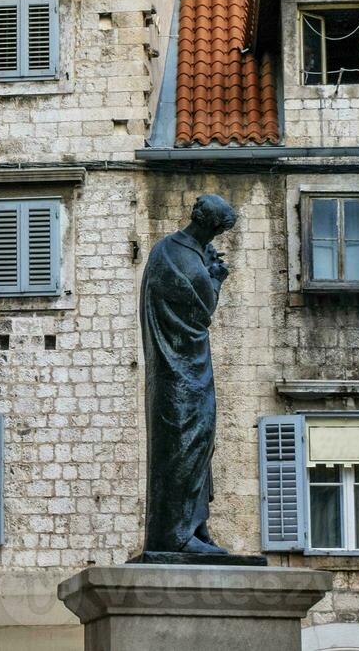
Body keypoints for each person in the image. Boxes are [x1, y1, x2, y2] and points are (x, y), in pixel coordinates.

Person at [138, 193, 237, 555]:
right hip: (180, 372)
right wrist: (217, 277)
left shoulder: (169, 250)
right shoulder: (179, 256)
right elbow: (201, 311)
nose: (216, 240)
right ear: (211, 226)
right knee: (184, 447)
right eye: (217, 232)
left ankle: (195, 527)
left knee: (199, 446)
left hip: (188, 368)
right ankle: (176, 536)